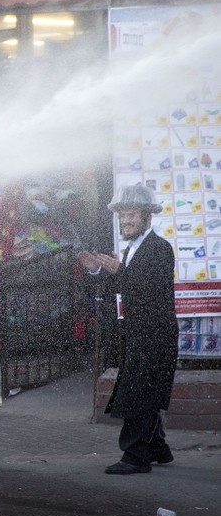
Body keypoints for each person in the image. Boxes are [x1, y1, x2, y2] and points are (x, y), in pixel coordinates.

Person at [78, 184, 178, 475]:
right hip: (140, 334)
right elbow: (126, 287)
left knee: (139, 394)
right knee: (144, 391)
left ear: (147, 217)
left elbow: (147, 290)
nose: (125, 221)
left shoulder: (159, 248)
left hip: (154, 335)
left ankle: (136, 456)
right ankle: (159, 448)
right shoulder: (135, 248)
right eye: (122, 216)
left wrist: (117, 271)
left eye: (131, 215)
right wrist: (100, 271)